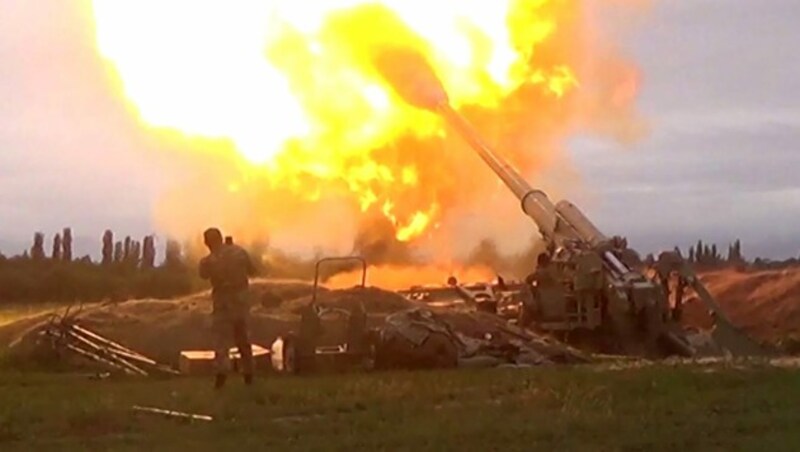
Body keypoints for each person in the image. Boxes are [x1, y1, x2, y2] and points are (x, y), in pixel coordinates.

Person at [199, 227, 256, 389]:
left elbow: (203, 275)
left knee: (221, 342)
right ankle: (249, 375)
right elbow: (252, 270)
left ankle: (221, 377)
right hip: (241, 302)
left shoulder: (208, 261)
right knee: (243, 340)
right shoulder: (240, 252)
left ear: (208, 242)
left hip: (223, 304)